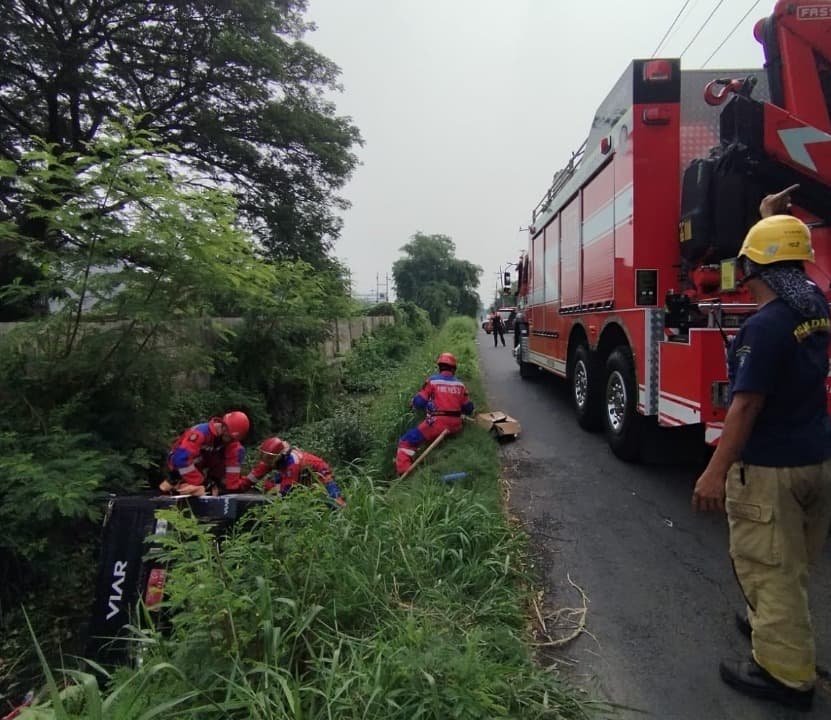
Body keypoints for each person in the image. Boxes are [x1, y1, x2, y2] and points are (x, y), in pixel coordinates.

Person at [692, 201, 831, 711]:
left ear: (755, 269)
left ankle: (786, 677)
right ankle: (766, 621)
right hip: (817, 460)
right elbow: (791, 260)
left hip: (772, 470)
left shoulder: (764, 327)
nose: (742, 276)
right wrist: (770, 216)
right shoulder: (815, 307)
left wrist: (713, 473)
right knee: (790, 561)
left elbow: (746, 404)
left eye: (747, 266)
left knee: (767, 566)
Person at [395, 352, 474, 475]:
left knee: (405, 442)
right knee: (428, 431)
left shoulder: (432, 381)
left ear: (439, 367)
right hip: (456, 425)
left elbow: (420, 402)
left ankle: (404, 473)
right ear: (454, 369)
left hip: (436, 424)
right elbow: (468, 408)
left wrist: (413, 402)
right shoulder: (460, 385)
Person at [160, 410, 250, 496]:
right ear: (224, 428)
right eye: (229, 437)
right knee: (180, 483)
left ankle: (206, 486)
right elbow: (181, 459)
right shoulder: (200, 433)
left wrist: (225, 487)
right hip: (180, 465)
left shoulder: (234, 446)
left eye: (233, 439)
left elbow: (232, 482)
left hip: (205, 471)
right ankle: (175, 484)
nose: (230, 441)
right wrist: (201, 483)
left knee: (235, 452)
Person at [237, 436, 346, 507]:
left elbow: (287, 490)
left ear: (278, 456)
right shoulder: (271, 458)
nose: (265, 461)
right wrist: (240, 486)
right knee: (270, 485)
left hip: (319, 472)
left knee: (333, 499)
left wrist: (271, 489)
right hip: (297, 474)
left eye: (268, 458)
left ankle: (341, 509)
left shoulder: (293, 463)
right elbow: (254, 476)